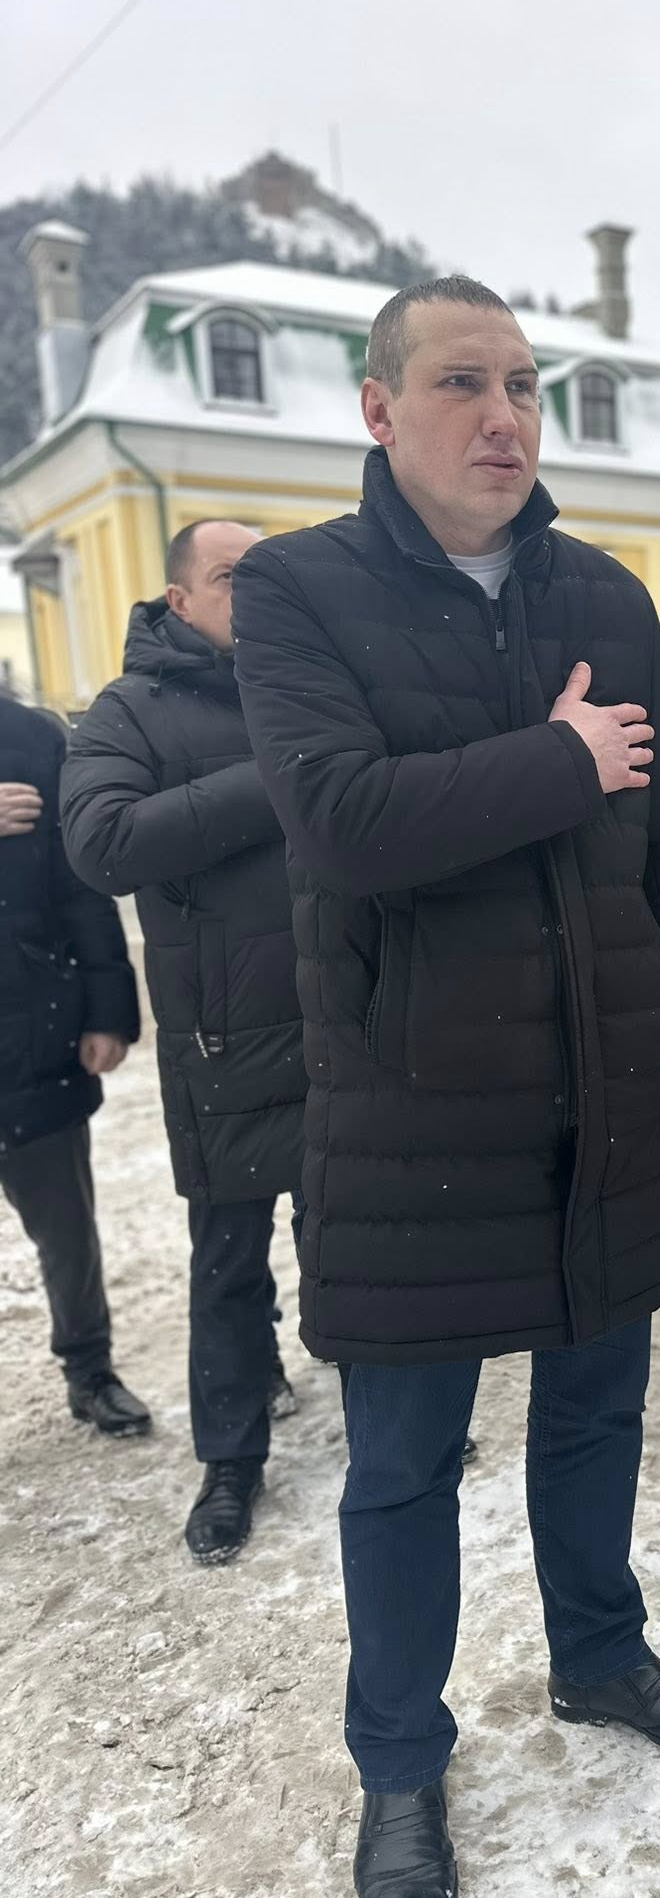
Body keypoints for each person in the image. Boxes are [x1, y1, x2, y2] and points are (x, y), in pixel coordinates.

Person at [231, 275, 660, 1898]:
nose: (505, 415)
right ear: (379, 411)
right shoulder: (301, 590)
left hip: (605, 1087)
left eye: (525, 384)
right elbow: (337, 822)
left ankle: (599, 1654)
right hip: (411, 1108)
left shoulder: (602, 590)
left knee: (598, 1407)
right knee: (402, 1467)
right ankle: (401, 1763)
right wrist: (554, 759)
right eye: (463, 381)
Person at [61, 522, 308, 1563]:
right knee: (229, 1262)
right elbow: (102, 842)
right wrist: (274, 780)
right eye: (230, 576)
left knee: (351, 1239)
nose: (253, 591)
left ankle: (388, 1410)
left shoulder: (307, 683)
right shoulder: (129, 708)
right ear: (179, 598)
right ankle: (231, 1461)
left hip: (336, 1018)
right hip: (223, 1036)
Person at [0, 691, 145, 1435]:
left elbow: (82, 883)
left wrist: (107, 1011)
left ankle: (89, 1372)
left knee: (66, 1230)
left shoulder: (31, 736)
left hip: (33, 1029)